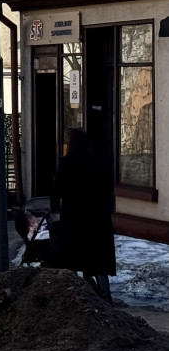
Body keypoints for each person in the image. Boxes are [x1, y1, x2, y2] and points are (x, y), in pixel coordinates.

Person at [51, 128, 116, 302]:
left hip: (75, 216)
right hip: (98, 216)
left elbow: (58, 187)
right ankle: (105, 294)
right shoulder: (100, 161)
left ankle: (74, 295)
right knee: (98, 258)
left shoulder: (67, 162)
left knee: (72, 255)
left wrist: (54, 207)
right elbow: (108, 187)